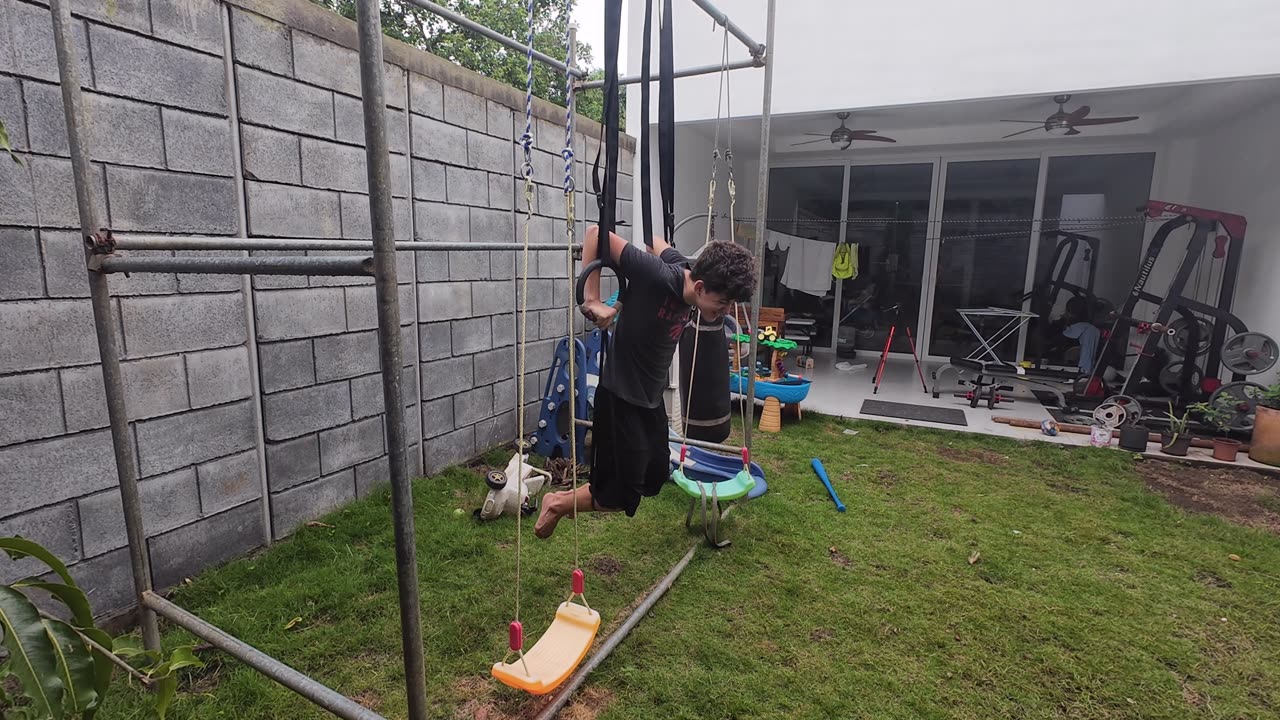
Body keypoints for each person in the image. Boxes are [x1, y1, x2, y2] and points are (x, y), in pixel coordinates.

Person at [534, 225, 757, 539]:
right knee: (616, 497)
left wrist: (656, 235)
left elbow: (656, 242)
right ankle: (556, 503)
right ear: (702, 287)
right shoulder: (656, 275)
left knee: (653, 478)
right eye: (723, 303)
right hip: (621, 397)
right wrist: (594, 299)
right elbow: (596, 234)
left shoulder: (682, 267)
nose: (725, 311)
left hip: (649, 400)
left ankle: (580, 496)